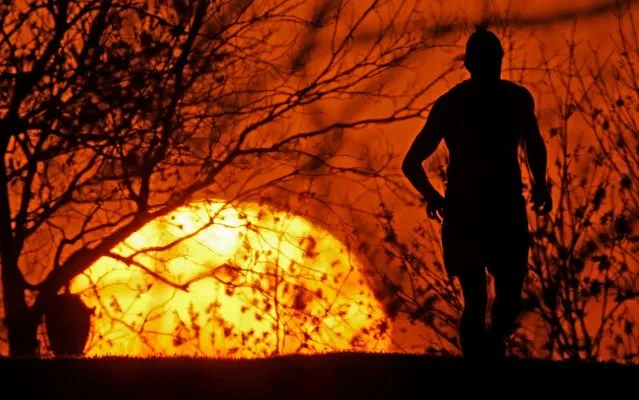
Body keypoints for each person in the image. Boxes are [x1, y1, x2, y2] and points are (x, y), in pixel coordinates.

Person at [401, 27, 552, 361]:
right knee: (476, 299)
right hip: (467, 211)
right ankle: (478, 361)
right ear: (471, 64)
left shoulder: (515, 99)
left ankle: (490, 349)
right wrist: (432, 196)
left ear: (499, 60)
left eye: (493, 58)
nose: (489, 65)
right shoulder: (452, 104)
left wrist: (540, 182)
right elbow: (410, 162)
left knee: (508, 295)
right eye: (483, 59)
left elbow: (533, 142)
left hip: (503, 208)